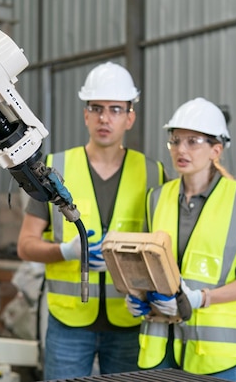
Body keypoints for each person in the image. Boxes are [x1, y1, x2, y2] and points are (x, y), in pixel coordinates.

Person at [16, 61, 167, 379]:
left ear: (130, 117)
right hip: (69, 323)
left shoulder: (153, 173)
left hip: (129, 319)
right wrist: (65, 251)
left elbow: (164, 248)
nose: (104, 118)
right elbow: (25, 246)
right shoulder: (55, 168)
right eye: (96, 108)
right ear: (85, 114)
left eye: (115, 109)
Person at [126, 97, 236, 382]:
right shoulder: (156, 198)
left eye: (193, 141)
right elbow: (148, 269)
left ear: (216, 149)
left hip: (213, 358)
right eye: (175, 141)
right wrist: (136, 295)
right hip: (160, 351)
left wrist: (200, 299)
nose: (181, 149)